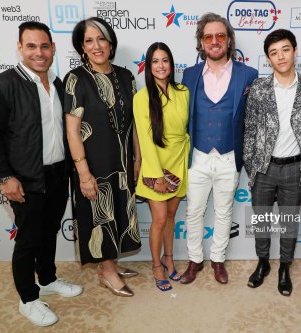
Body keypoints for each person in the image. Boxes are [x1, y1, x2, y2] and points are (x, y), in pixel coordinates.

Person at [0, 21, 82, 327]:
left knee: (48, 231)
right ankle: (28, 299)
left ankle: (47, 279)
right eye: (32, 46)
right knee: (27, 240)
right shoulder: (1, 85)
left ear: (52, 48)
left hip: (56, 174)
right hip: (25, 179)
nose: (39, 52)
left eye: (45, 46)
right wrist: (5, 176)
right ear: (20, 47)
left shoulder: (59, 83)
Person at [64, 17, 141, 298]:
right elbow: (72, 132)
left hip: (121, 163)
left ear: (111, 43)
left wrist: (137, 158)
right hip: (93, 164)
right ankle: (107, 269)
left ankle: (112, 262)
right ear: (82, 47)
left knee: (120, 212)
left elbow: (134, 123)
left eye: (102, 39)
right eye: (89, 41)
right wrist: (83, 173)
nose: (96, 46)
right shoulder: (76, 79)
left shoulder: (126, 76)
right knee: (101, 214)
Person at [243, 29, 301, 295]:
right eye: (274, 53)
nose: (281, 56)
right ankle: (263, 262)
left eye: (285, 49)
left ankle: (284, 267)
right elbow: (250, 130)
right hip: (264, 168)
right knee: (262, 221)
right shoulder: (258, 89)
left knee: (289, 222)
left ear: (295, 51)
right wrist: (252, 167)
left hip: (295, 169)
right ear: (268, 59)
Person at [180, 12, 258, 284]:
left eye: (220, 36)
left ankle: (218, 260)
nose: (214, 41)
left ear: (229, 41)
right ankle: (194, 260)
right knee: (193, 211)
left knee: (224, 211)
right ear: (201, 42)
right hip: (198, 156)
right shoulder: (188, 75)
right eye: (208, 36)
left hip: (229, 157)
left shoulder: (248, 74)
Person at [133, 42, 189, 292]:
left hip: (179, 161)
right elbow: (144, 139)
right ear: (148, 65)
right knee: (158, 219)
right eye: (155, 61)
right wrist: (156, 176)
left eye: (165, 60)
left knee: (170, 216)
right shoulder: (142, 97)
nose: (160, 65)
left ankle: (169, 259)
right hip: (155, 165)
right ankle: (156, 265)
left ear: (171, 64)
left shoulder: (183, 91)